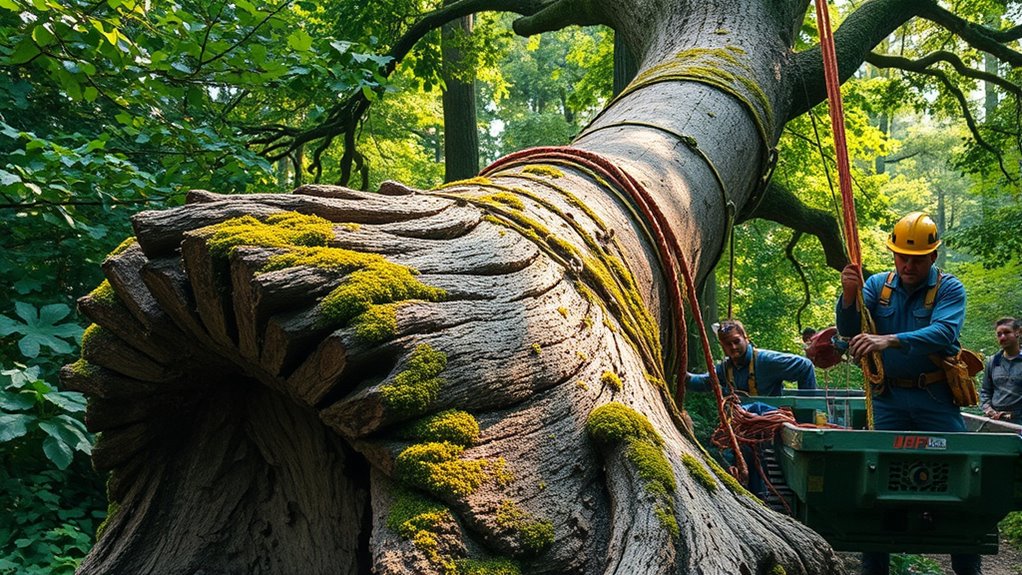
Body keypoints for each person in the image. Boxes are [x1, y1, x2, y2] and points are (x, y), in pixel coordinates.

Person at [836, 211, 980, 575]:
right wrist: (849, 296)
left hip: (935, 399)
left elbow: (944, 333)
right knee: (876, 482)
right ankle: (875, 566)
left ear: (932, 256)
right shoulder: (876, 287)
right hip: (888, 400)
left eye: (917, 259)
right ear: (893, 255)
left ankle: (967, 565)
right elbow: (850, 331)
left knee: (958, 478)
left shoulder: (949, 288)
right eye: (902, 257)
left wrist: (890, 339)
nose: (908, 265)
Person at [687, 319, 817, 396]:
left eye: (736, 341)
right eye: (727, 344)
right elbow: (704, 382)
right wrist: (682, 376)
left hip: (770, 427)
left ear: (746, 339)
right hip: (740, 428)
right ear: (722, 346)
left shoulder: (766, 361)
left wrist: (805, 412)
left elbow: (804, 366)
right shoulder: (725, 369)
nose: (732, 347)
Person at [980, 317, 1022, 421]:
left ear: (1018, 332)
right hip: (995, 420)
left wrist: (1014, 415)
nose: (1002, 337)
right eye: (999, 334)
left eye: (1007, 332)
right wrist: (988, 409)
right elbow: (985, 391)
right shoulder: (993, 361)